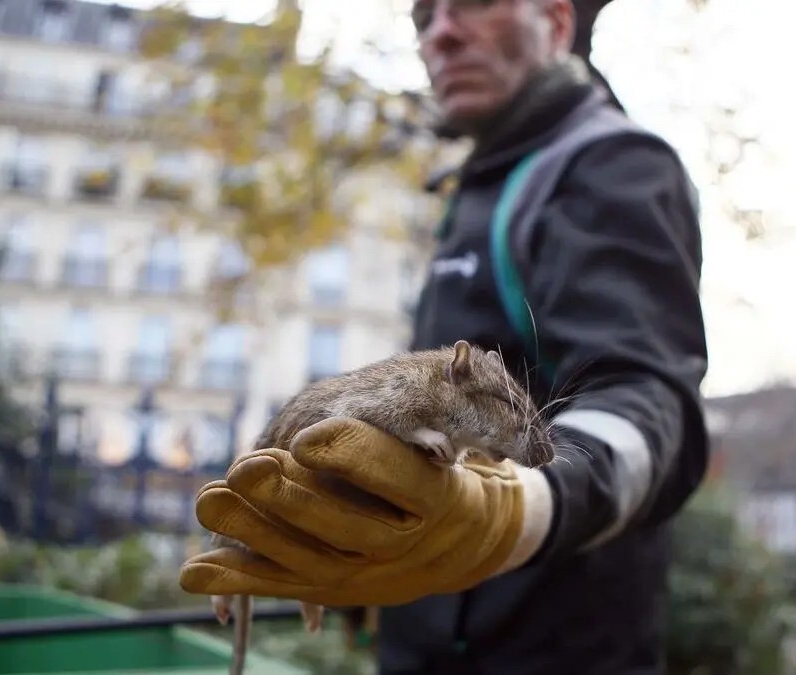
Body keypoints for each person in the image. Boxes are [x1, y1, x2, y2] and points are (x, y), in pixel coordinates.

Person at [179, 0, 709, 673]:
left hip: (554, 648)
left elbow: (648, 400)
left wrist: (520, 510)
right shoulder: (477, 179)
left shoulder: (613, 165)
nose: (441, 33)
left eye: (475, 4)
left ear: (555, 22)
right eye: (423, 17)